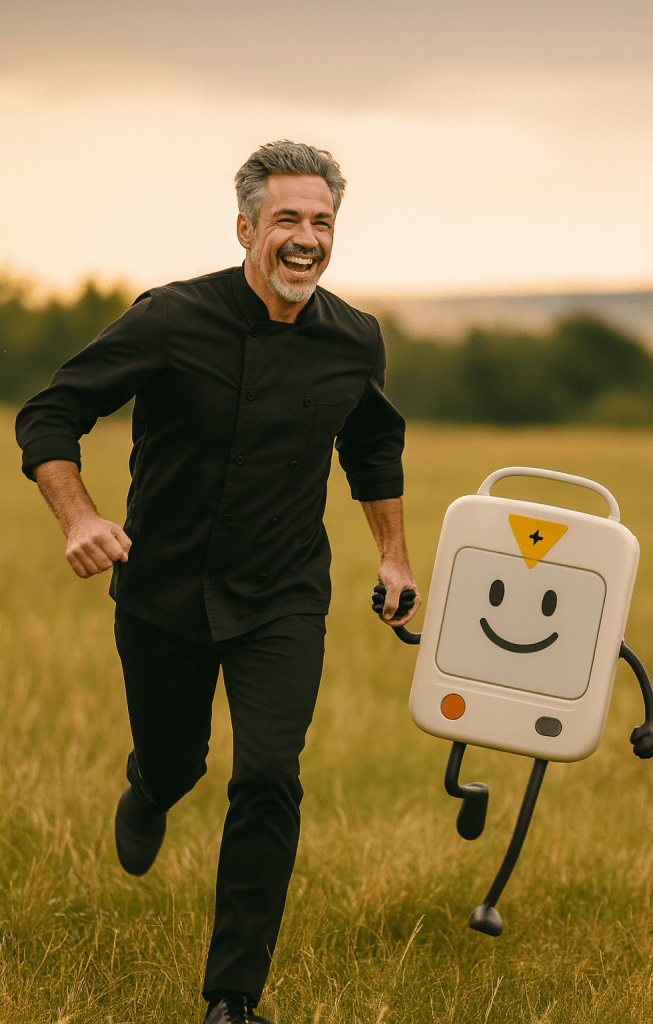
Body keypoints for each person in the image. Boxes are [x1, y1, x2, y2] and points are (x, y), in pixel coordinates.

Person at [15, 140, 421, 1024]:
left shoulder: (354, 338)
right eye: (287, 219)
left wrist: (392, 555)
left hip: (283, 594)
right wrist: (79, 516)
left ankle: (232, 999)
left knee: (269, 773)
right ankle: (153, 783)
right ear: (245, 228)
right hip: (162, 589)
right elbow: (50, 412)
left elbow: (372, 447)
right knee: (178, 760)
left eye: (322, 221)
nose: (306, 238)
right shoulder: (170, 319)